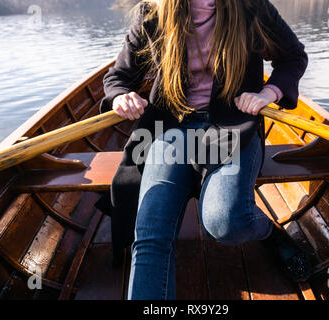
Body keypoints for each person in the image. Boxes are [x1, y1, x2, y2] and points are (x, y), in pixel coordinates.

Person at [99, 0, 311, 300]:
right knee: (149, 236)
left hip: (232, 127)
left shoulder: (251, 8)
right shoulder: (154, 13)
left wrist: (268, 92)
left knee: (226, 223)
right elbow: (118, 77)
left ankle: (268, 232)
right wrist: (121, 97)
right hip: (170, 129)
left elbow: (293, 56)